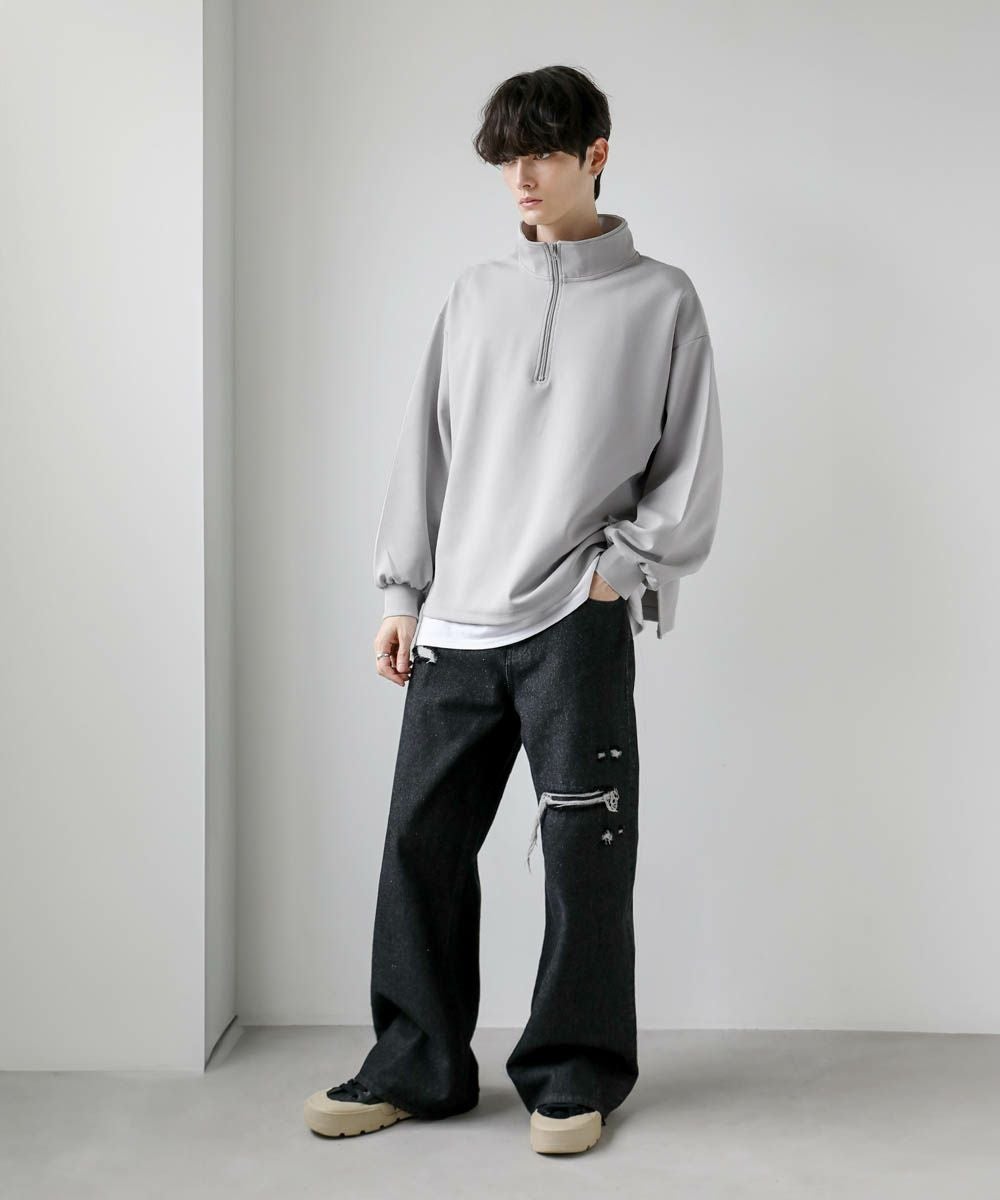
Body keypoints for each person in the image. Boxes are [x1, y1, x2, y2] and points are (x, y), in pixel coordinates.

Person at [304, 64, 723, 1155]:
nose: (520, 177)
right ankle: (417, 1065)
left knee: (585, 856)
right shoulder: (476, 294)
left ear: (596, 155)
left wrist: (617, 573)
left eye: (541, 153)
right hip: (456, 624)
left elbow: (686, 466)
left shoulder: (662, 300)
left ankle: (572, 1075)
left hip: (573, 620)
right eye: (506, 158)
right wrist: (402, 591)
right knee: (420, 848)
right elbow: (427, 448)